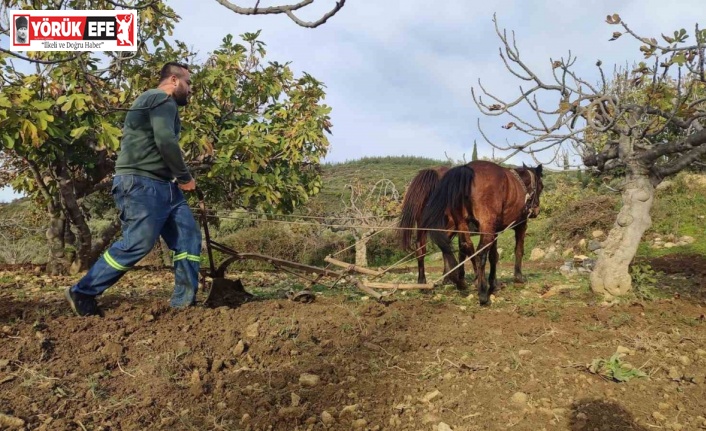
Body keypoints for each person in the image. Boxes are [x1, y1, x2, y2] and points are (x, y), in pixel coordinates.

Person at [65, 62, 201, 316]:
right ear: (174, 80)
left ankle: (184, 303)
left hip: (164, 186)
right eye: (188, 82)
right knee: (137, 243)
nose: (190, 89)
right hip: (142, 184)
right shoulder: (161, 98)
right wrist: (185, 177)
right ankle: (83, 291)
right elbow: (165, 140)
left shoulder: (159, 102)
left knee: (188, 238)